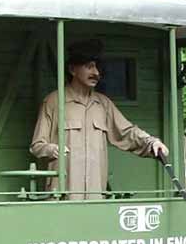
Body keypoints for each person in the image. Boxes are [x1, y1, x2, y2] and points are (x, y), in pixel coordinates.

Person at [30, 40, 168, 199]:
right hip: (62, 196)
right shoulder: (54, 101)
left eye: (97, 67)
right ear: (72, 69)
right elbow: (37, 145)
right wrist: (52, 149)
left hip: (96, 196)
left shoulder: (103, 104)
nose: (96, 72)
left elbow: (127, 132)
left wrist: (151, 143)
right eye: (89, 66)